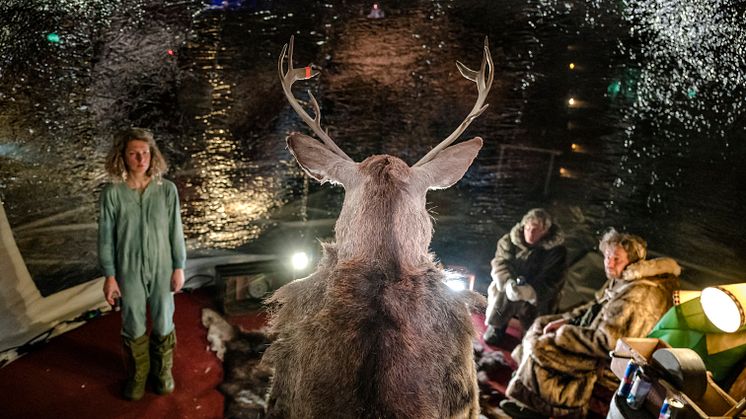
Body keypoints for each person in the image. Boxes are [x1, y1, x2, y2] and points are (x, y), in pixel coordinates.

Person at [499, 228, 681, 418]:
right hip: (593, 336)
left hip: (608, 360)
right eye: (607, 256)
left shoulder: (638, 295)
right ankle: (526, 387)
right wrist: (565, 319)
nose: (609, 263)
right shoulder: (621, 279)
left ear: (633, 261)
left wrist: (564, 335)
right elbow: (593, 306)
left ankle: (545, 408)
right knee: (541, 324)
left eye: (616, 258)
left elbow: (609, 342)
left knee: (542, 346)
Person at [98, 128, 187, 400]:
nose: (141, 158)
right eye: (134, 153)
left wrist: (179, 266)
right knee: (133, 322)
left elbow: (176, 230)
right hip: (128, 268)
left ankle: (162, 373)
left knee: (163, 320)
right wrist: (110, 276)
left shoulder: (167, 190)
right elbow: (106, 236)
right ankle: (137, 375)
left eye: (145, 152)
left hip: (162, 266)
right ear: (123, 157)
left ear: (153, 155)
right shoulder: (112, 193)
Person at [483, 208, 567, 345]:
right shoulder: (509, 241)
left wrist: (531, 292)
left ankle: (532, 334)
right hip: (512, 284)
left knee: (541, 309)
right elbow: (500, 263)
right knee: (500, 295)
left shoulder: (556, 251)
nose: (530, 233)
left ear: (545, 231)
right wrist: (508, 283)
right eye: (527, 228)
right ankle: (497, 327)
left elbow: (554, 278)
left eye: (535, 230)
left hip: (538, 290)